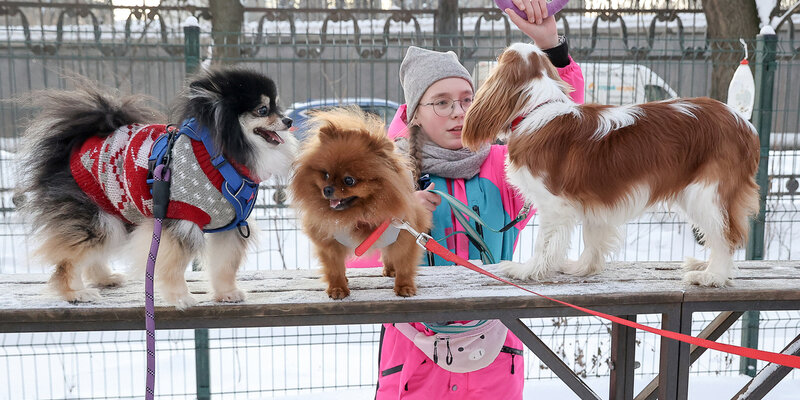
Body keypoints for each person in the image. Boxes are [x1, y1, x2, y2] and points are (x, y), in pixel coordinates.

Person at [370, 3, 585, 399]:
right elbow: (355, 256)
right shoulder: (385, 173)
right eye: (441, 102)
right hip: (414, 365)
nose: (459, 113)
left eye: (468, 99)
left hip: (495, 360)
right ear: (413, 112)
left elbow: (564, 130)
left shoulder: (510, 165)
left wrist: (551, 49)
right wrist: (395, 220)